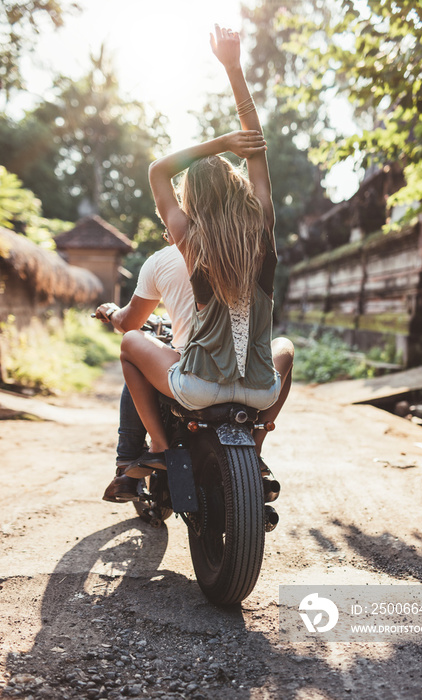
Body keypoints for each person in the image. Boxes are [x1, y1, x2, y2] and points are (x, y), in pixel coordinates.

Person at [113, 24, 294, 481]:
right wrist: (234, 68)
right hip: (259, 392)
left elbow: (158, 171)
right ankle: (255, 446)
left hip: (198, 389)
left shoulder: (191, 241)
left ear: (193, 200)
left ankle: (156, 443)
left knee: (132, 343)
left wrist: (218, 145)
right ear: (240, 193)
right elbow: (257, 146)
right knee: (286, 348)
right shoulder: (263, 231)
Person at [95, 238, 194, 502]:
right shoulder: (243, 247)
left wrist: (112, 312)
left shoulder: (163, 259)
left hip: (193, 373)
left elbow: (129, 322)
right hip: (244, 369)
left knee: (133, 349)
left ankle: (129, 463)